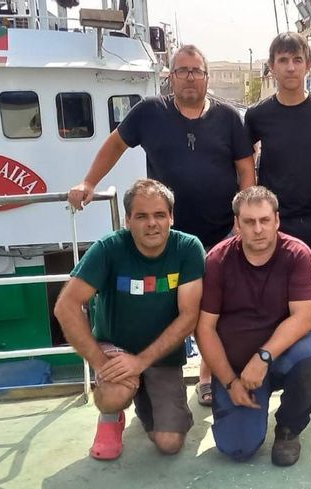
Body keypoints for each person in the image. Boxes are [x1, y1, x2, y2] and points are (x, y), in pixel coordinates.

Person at [68, 44, 255, 407]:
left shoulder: (229, 118)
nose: (189, 77)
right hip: (165, 238)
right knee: (165, 307)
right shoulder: (150, 112)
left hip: (218, 234)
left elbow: (246, 168)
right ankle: (138, 376)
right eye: (182, 70)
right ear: (170, 76)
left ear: (206, 76)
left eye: (196, 71)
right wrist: (89, 182)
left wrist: (241, 219)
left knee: (210, 311)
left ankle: (206, 376)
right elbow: (115, 144)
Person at [55, 179, 205, 460]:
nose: (152, 224)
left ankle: (142, 394)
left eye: (160, 215)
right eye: (142, 216)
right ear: (127, 220)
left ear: (171, 217)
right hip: (116, 348)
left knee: (169, 443)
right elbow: (67, 306)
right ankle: (111, 417)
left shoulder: (187, 249)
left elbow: (189, 317)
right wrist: (101, 363)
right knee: (113, 394)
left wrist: (140, 363)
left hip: (162, 357)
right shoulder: (109, 249)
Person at [196, 186, 311, 466]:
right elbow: (205, 329)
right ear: (237, 224)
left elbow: (303, 317)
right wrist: (230, 381)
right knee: (238, 450)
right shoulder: (217, 260)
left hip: (280, 358)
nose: (258, 229)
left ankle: (289, 429)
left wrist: (263, 356)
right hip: (235, 367)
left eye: (265, 220)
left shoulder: (297, 254)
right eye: (249, 221)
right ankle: (234, 406)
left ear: (277, 220)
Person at [244, 32, 311, 401]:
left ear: (308, 65)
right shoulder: (257, 116)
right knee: (271, 297)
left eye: (296, 60)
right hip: (274, 222)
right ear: (272, 67)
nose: (290, 67)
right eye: (282, 61)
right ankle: (272, 365)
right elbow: (242, 167)